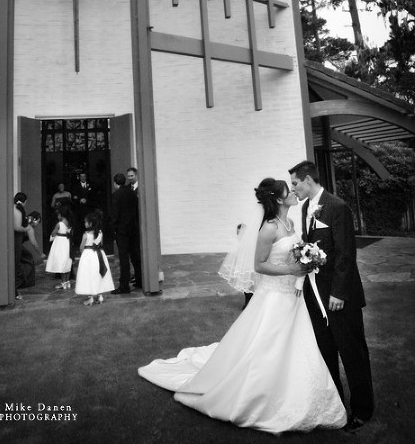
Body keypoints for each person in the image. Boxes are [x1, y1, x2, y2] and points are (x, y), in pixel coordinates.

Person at [138, 179, 347, 435]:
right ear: (280, 199)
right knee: (269, 346)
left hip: (294, 296)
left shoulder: (290, 223)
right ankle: (261, 395)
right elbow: (259, 265)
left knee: (299, 344)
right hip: (275, 297)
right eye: (288, 191)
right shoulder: (269, 228)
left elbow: (295, 251)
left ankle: (304, 391)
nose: (293, 193)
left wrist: (306, 261)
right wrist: (291, 269)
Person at [289, 160, 374, 433]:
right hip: (315, 296)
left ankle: (362, 409)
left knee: (352, 352)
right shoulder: (304, 208)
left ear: (308, 180)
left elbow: (346, 254)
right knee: (325, 352)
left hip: (340, 297)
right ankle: (335, 406)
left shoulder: (338, 207)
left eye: (295, 183)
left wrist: (338, 293)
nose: (294, 189)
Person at [218, 177, 276, 309]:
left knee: (251, 270)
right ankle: (253, 304)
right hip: (260, 243)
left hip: (254, 243)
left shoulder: (258, 207)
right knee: (257, 271)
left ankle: (250, 303)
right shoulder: (268, 209)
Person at [110, 173, 142, 294]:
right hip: (133, 229)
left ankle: (124, 286)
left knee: (124, 258)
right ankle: (139, 280)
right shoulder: (132, 194)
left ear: (115, 183)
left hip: (122, 231)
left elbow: (115, 214)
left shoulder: (116, 195)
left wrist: (113, 229)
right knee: (135, 256)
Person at [75, 210, 114, 306]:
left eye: (85, 222)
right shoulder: (100, 233)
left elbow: (81, 247)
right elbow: (101, 244)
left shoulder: (86, 234)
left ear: (90, 223)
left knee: (89, 275)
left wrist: (83, 254)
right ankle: (100, 295)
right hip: (99, 254)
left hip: (88, 255)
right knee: (98, 274)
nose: (84, 223)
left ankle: (91, 297)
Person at [45, 205, 73, 290]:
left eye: (58, 214)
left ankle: (63, 282)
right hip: (67, 242)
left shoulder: (59, 224)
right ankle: (67, 282)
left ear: (61, 215)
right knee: (67, 261)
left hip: (60, 243)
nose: (57, 216)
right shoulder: (69, 223)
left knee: (61, 261)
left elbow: (53, 233)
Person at [14, 192, 30, 300]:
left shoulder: (13, 208)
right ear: (23, 201)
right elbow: (17, 227)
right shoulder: (18, 211)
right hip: (16, 238)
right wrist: (26, 229)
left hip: (15, 238)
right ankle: (13, 291)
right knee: (15, 263)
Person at [71, 173, 94, 249]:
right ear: (79, 178)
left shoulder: (90, 185)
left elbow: (94, 196)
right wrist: (79, 200)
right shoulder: (76, 186)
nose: (83, 178)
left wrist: (87, 200)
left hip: (88, 209)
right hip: (79, 211)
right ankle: (80, 243)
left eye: (84, 176)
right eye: (81, 177)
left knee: (90, 225)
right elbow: (74, 197)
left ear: (86, 177)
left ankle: (90, 242)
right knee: (80, 226)